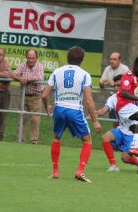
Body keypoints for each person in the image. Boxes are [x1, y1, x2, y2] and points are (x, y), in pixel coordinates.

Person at [42, 46, 101, 183]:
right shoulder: (85, 74)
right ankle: (80, 171)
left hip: (59, 109)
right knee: (87, 140)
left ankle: (55, 172)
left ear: (67, 58)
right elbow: (89, 100)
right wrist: (95, 121)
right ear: (82, 60)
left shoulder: (57, 72)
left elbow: (44, 95)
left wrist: (47, 107)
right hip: (75, 110)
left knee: (56, 138)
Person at [96, 74, 138, 175]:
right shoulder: (113, 98)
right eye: (115, 86)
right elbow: (103, 111)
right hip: (121, 129)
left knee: (125, 158)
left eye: (119, 85)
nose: (117, 88)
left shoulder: (133, 97)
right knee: (105, 137)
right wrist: (95, 113)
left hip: (132, 132)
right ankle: (113, 165)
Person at [12, 49, 44, 144]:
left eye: (33, 58)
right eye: (29, 58)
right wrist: (20, 78)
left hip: (36, 96)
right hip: (24, 96)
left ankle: (34, 141)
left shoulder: (40, 66)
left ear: (36, 58)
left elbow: (39, 77)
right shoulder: (22, 65)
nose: (31, 60)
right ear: (26, 57)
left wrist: (26, 79)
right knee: (22, 118)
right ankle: (20, 140)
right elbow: (13, 75)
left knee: (35, 119)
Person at [99, 52, 129, 128]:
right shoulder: (107, 69)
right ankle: (116, 138)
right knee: (114, 122)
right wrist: (102, 83)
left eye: (114, 59)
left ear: (119, 60)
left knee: (124, 122)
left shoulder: (125, 69)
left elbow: (127, 85)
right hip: (113, 98)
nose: (112, 61)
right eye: (111, 59)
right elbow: (101, 84)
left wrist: (112, 83)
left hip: (123, 99)